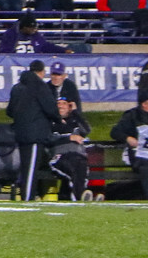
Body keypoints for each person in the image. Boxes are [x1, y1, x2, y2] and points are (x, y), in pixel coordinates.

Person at [6, 60, 60, 201]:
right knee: (31, 169)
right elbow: (51, 109)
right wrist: (59, 119)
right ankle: (27, 197)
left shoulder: (17, 87)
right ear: (42, 72)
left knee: (25, 167)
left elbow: (10, 111)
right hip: (35, 134)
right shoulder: (40, 87)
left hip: (20, 132)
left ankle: (25, 195)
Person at [49, 96, 93, 201]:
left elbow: (87, 130)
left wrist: (75, 112)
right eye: (58, 104)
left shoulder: (75, 122)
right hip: (59, 157)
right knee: (73, 169)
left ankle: (79, 197)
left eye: (64, 103)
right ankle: (80, 196)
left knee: (80, 165)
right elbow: (48, 138)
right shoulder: (50, 122)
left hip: (77, 157)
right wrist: (69, 138)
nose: (61, 106)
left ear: (69, 107)